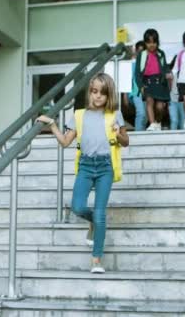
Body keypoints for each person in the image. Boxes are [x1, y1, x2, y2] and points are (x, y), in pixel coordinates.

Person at [37, 73, 129, 274]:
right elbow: (65, 142)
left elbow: (126, 142)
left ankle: (96, 260)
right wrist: (52, 125)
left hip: (105, 166)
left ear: (108, 95)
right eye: (94, 91)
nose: (97, 97)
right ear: (90, 92)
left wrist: (118, 133)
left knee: (100, 214)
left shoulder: (114, 115)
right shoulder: (78, 115)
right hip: (86, 166)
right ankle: (92, 222)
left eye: (102, 93)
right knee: (78, 207)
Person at [135, 29, 170, 131]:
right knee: (149, 101)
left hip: (160, 83)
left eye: (154, 42)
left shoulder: (161, 53)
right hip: (147, 82)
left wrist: (168, 73)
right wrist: (140, 86)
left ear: (157, 42)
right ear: (145, 43)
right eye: (148, 42)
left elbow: (165, 67)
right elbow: (137, 73)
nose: (151, 45)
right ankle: (152, 123)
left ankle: (158, 123)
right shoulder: (142, 55)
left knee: (160, 107)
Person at [123, 41, 147, 131]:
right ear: (136, 51)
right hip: (135, 93)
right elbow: (127, 79)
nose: (141, 53)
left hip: (146, 94)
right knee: (141, 113)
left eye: (143, 51)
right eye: (139, 51)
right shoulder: (132, 64)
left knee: (145, 117)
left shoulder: (148, 63)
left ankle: (142, 135)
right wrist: (125, 95)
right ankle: (138, 135)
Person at [167, 56, 184, 130]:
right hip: (172, 99)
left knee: (183, 122)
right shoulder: (170, 72)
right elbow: (167, 87)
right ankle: (172, 138)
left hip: (183, 100)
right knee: (174, 120)